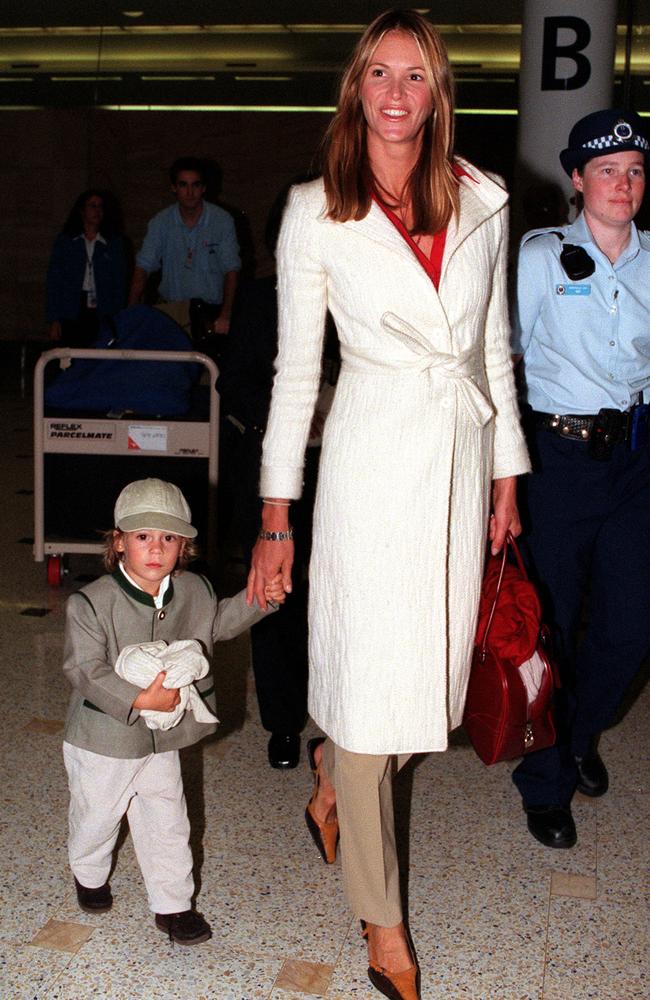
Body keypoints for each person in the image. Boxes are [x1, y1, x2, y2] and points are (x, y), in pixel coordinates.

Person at [246, 9, 530, 1000]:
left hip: (456, 471)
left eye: (416, 74)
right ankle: (383, 924)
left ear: (438, 92)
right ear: (354, 90)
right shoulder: (313, 211)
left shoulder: (484, 203)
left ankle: (327, 774)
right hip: (369, 467)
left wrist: (504, 479)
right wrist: (276, 515)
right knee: (374, 710)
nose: (398, 91)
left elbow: (492, 351)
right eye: (379, 73)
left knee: (421, 702)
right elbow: (292, 375)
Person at [61, 478, 283, 945]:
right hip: (104, 740)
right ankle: (89, 872)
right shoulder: (91, 602)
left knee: (166, 816)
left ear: (184, 546)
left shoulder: (194, 590)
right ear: (119, 542)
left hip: (164, 738)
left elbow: (217, 624)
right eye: (143, 537)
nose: (156, 549)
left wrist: (260, 599)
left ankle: (174, 905)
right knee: (98, 814)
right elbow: (84, 669)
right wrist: (139, 699)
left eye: (169, 538)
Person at [512, 108, 650, 849]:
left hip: (636, 455)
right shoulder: (541, 257)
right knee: (553, 625)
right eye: (607, 170)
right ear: (578, 179)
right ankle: (545, 779)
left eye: (633, 171)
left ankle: (575, 734)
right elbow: (502, 357)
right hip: (560, 460)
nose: (621, 184)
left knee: (630, 627)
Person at [217, 185, 337, 770]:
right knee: (277, 594)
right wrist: (288, 417)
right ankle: (284, 722)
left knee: (339, 593)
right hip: (270, 468)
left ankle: (340, 718)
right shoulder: (260, 299)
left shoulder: (353, 296)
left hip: (340, 466)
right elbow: (231, 381)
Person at [128, 157, 240, 343]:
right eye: (183, 185)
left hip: (211, 311)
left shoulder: (222, 221)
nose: (190, 192)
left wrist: (226, 315)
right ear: (174, 188)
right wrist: (131, 313)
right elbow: (143, 267)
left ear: (203, 188)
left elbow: (231, 269)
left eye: (195, 185)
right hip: (173, 311)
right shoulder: (160, 222)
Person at [46, 189, 127, 347]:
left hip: (103, 309)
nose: (97, 211)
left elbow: (119, 282)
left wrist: (118, 317)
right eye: (92, 206)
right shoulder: (66, 242)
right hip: (73, 308)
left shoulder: (113, 243)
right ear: (82, 211)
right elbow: (55, 281)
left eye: (100, 207)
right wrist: (54, 319)